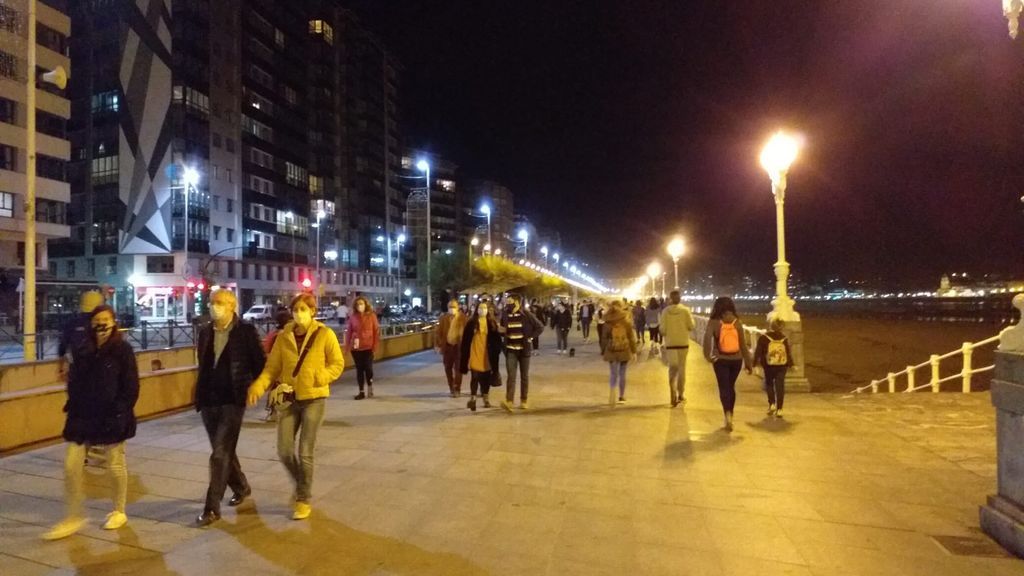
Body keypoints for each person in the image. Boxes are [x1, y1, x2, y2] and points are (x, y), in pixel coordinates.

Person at [43, 305, 139, 540]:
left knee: (115, 463)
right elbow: (74, 378)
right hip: (82, 416)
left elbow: (131, 386)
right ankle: (74, 515)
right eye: (97, 320)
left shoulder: (122, 350)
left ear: (114, 322)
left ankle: (119, 510)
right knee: (71, 464)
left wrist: (119, 411)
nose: (101, 324)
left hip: (111, 417)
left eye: (106, 319)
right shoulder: (83, 348)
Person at [247, 293, 345, 520]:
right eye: (296, 309)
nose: (299, 313)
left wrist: (321, 377)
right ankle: (303, 484)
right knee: (283, 450)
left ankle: (303, 499)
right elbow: (272, 369)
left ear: (312, 311)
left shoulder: (324, 334)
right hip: (290, 399)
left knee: (305, 452)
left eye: (304, 309)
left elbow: (337, 363)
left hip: (314, 398)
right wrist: (258, 387)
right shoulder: (283, 337)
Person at [194, 290, 267, 527]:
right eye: (211, 302)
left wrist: (257, 386)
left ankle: (211, 507)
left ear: (232, 306)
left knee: (219, 454)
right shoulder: (205, 332)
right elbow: (203, 365)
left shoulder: (245, 332)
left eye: (219, 303)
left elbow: (261, 365)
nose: (213, 307)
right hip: (208, 400)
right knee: (223, 450)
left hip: (233, 399)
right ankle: (241, 486)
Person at [702, 296, 753, 431]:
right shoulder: (737, 322)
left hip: (720, 360)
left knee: (724, 388)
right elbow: (743, 345)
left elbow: (706, 339)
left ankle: (727, 415)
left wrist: (707, 356)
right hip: (736, 360)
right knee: (731, 387)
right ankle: (732, 413)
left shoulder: (714, 322)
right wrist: (748, 363)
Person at [500, 293, 544, 411]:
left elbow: (540, 327)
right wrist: (501, 332)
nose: (508, 303)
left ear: (517, 302)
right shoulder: (505, 314)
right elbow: (502, 328)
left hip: (524, 350)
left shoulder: (527, 314)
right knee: (511, 376)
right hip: (510, 349)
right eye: (507, 301)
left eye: (511, 301)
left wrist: (530, 338)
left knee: (524, 376)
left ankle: (524, 400)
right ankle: (509, 401)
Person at [458, 300, 503, 411]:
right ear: (476, 310)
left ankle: (486, 398)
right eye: (480, 308)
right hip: (474, 352)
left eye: (484, 308)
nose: (482, 310)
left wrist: (496, 350)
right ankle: (473, 398)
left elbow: (497, 340)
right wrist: (465, 355)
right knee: (475, 377)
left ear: (487, 310)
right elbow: (465, 341)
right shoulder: (471, 323)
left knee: (486, 378)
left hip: (487, 355)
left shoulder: (491, 323)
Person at [57, 290, 105, 383]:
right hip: (101, 372)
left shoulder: (72, 323)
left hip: (76, 372)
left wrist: (60, 369)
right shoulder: (103, 323)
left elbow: (62, 348)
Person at [660, 290, 696, 407]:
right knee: (682, 369)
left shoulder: (665, 312)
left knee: (672, 369)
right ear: (680, 298)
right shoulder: (685, 310)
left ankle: (672, 393)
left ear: (670, 299)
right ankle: (681, 394)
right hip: (683, 344)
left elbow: (662, 330)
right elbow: (691, 326)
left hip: (670, 344)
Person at [753, 316, 794, 418]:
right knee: (780, 386)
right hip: (781, 365)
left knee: (769, 384)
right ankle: (780, 409)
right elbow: (787, 353)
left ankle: (772, 404)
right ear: (781, 327)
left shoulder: (764, 337)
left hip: (768, 365)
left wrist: (754, 364)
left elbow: (758, 352)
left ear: (770, 325)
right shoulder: (784, 338)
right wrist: (791, 364)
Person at [601, 300, 638, 406]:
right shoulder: (626, 321)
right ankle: (621, 397)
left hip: (611, 349)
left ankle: (612, 390)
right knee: (622, 373)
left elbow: (603, 338)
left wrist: (603, 350)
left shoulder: (607, 321)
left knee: (613, 373)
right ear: (621, 308)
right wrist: (634, 351)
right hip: (624, 350)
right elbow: (631, 337)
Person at [345, 296, 380, 399]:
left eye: (361, 304)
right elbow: (349, 332)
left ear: (365, 305)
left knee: (368, 369)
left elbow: (376, 332)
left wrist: (375, 346)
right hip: (356, 348)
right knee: (359, 369)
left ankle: (370, 386)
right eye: (357, 304)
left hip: (368, 347)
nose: (359, 306)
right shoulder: (353, 317)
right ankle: (361, 391)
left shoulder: (372, 316)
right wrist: (347, 347)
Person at [435, 299, 468, 397]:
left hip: (459, 347)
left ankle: (457, 388)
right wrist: (439, 344)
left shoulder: (463, 318)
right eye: (450, 307)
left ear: (458, 308)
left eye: (453, 307)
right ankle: (451, 387)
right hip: (448, 347)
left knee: (458, 369)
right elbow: (438, 333)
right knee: (447, 368)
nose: (452, 309)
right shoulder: (444, 319)